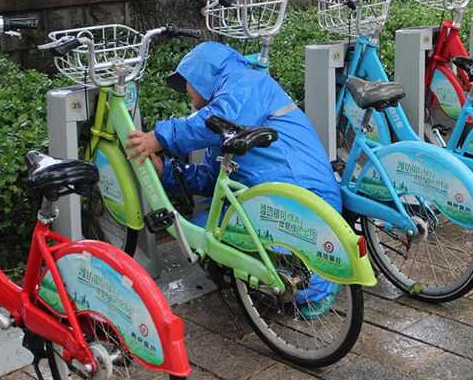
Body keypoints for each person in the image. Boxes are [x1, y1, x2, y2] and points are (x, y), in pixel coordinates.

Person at [125, 41, 342, 319]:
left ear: (202, 74)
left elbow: (221, 117)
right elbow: (210, 177)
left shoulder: (248, 84)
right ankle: (284, 281)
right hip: (271, 196)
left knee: (298, 270)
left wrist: (159, 137)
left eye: (188, 83)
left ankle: (308, 288)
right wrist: (165, 171)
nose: (187, 91)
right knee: (205, 233)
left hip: (301, 193)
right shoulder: (224, 116)